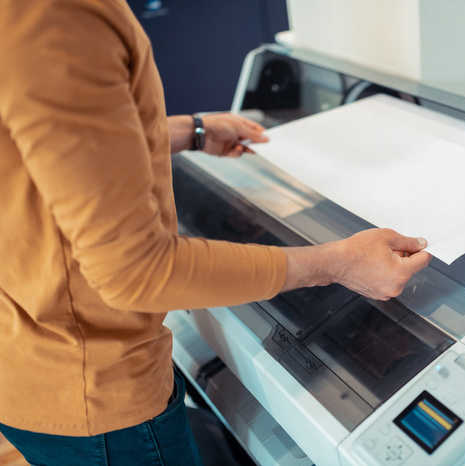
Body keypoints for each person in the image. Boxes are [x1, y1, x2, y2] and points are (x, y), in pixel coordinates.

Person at [0, 1, 431, 464]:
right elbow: (137, 273)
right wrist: (338, 263)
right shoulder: (55, 14)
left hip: (27, 348)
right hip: (90, 393)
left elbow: (43, 148)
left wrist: (189, 131)